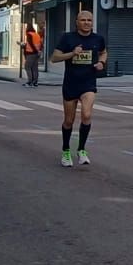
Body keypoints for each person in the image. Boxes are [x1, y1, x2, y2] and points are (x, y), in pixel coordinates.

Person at [50, 10, 108, 167]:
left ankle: (82, 149)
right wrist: (72, 53)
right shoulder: (68, 38)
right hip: (71, 83)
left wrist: (102, 63)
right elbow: (54, 58)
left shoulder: (98, 39)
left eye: (89, 20)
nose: (87, 23)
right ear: (77, 22)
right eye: (83, 20)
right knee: (69, 121)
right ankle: (66, 150)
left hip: (88, 83)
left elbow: (103, 52)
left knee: (87, 115)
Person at [22, 19, 44, 87]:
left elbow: (31, 44)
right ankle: (35, 82)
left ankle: (30, 82)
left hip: (31, 53)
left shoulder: (29, 34)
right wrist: (39, 51)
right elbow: (41, 44)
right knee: (35, 68)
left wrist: (35, 50)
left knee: (27, 67)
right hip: (36, 54)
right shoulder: (36, 34)